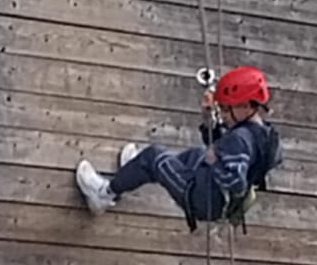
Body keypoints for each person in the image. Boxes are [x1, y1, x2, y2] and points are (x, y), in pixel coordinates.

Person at [75, 64, 281, 230]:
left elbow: (235, 182)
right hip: (218, 199)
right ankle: (136, 169)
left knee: (154, 156)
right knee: (195, 154)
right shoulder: (264, 134)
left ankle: (103, 195)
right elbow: (227, 148)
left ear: (247, 106)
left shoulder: (240, 138)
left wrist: (214, 159)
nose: (224, 114)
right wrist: (210, 122)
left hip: (202, 199)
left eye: (227, 109)